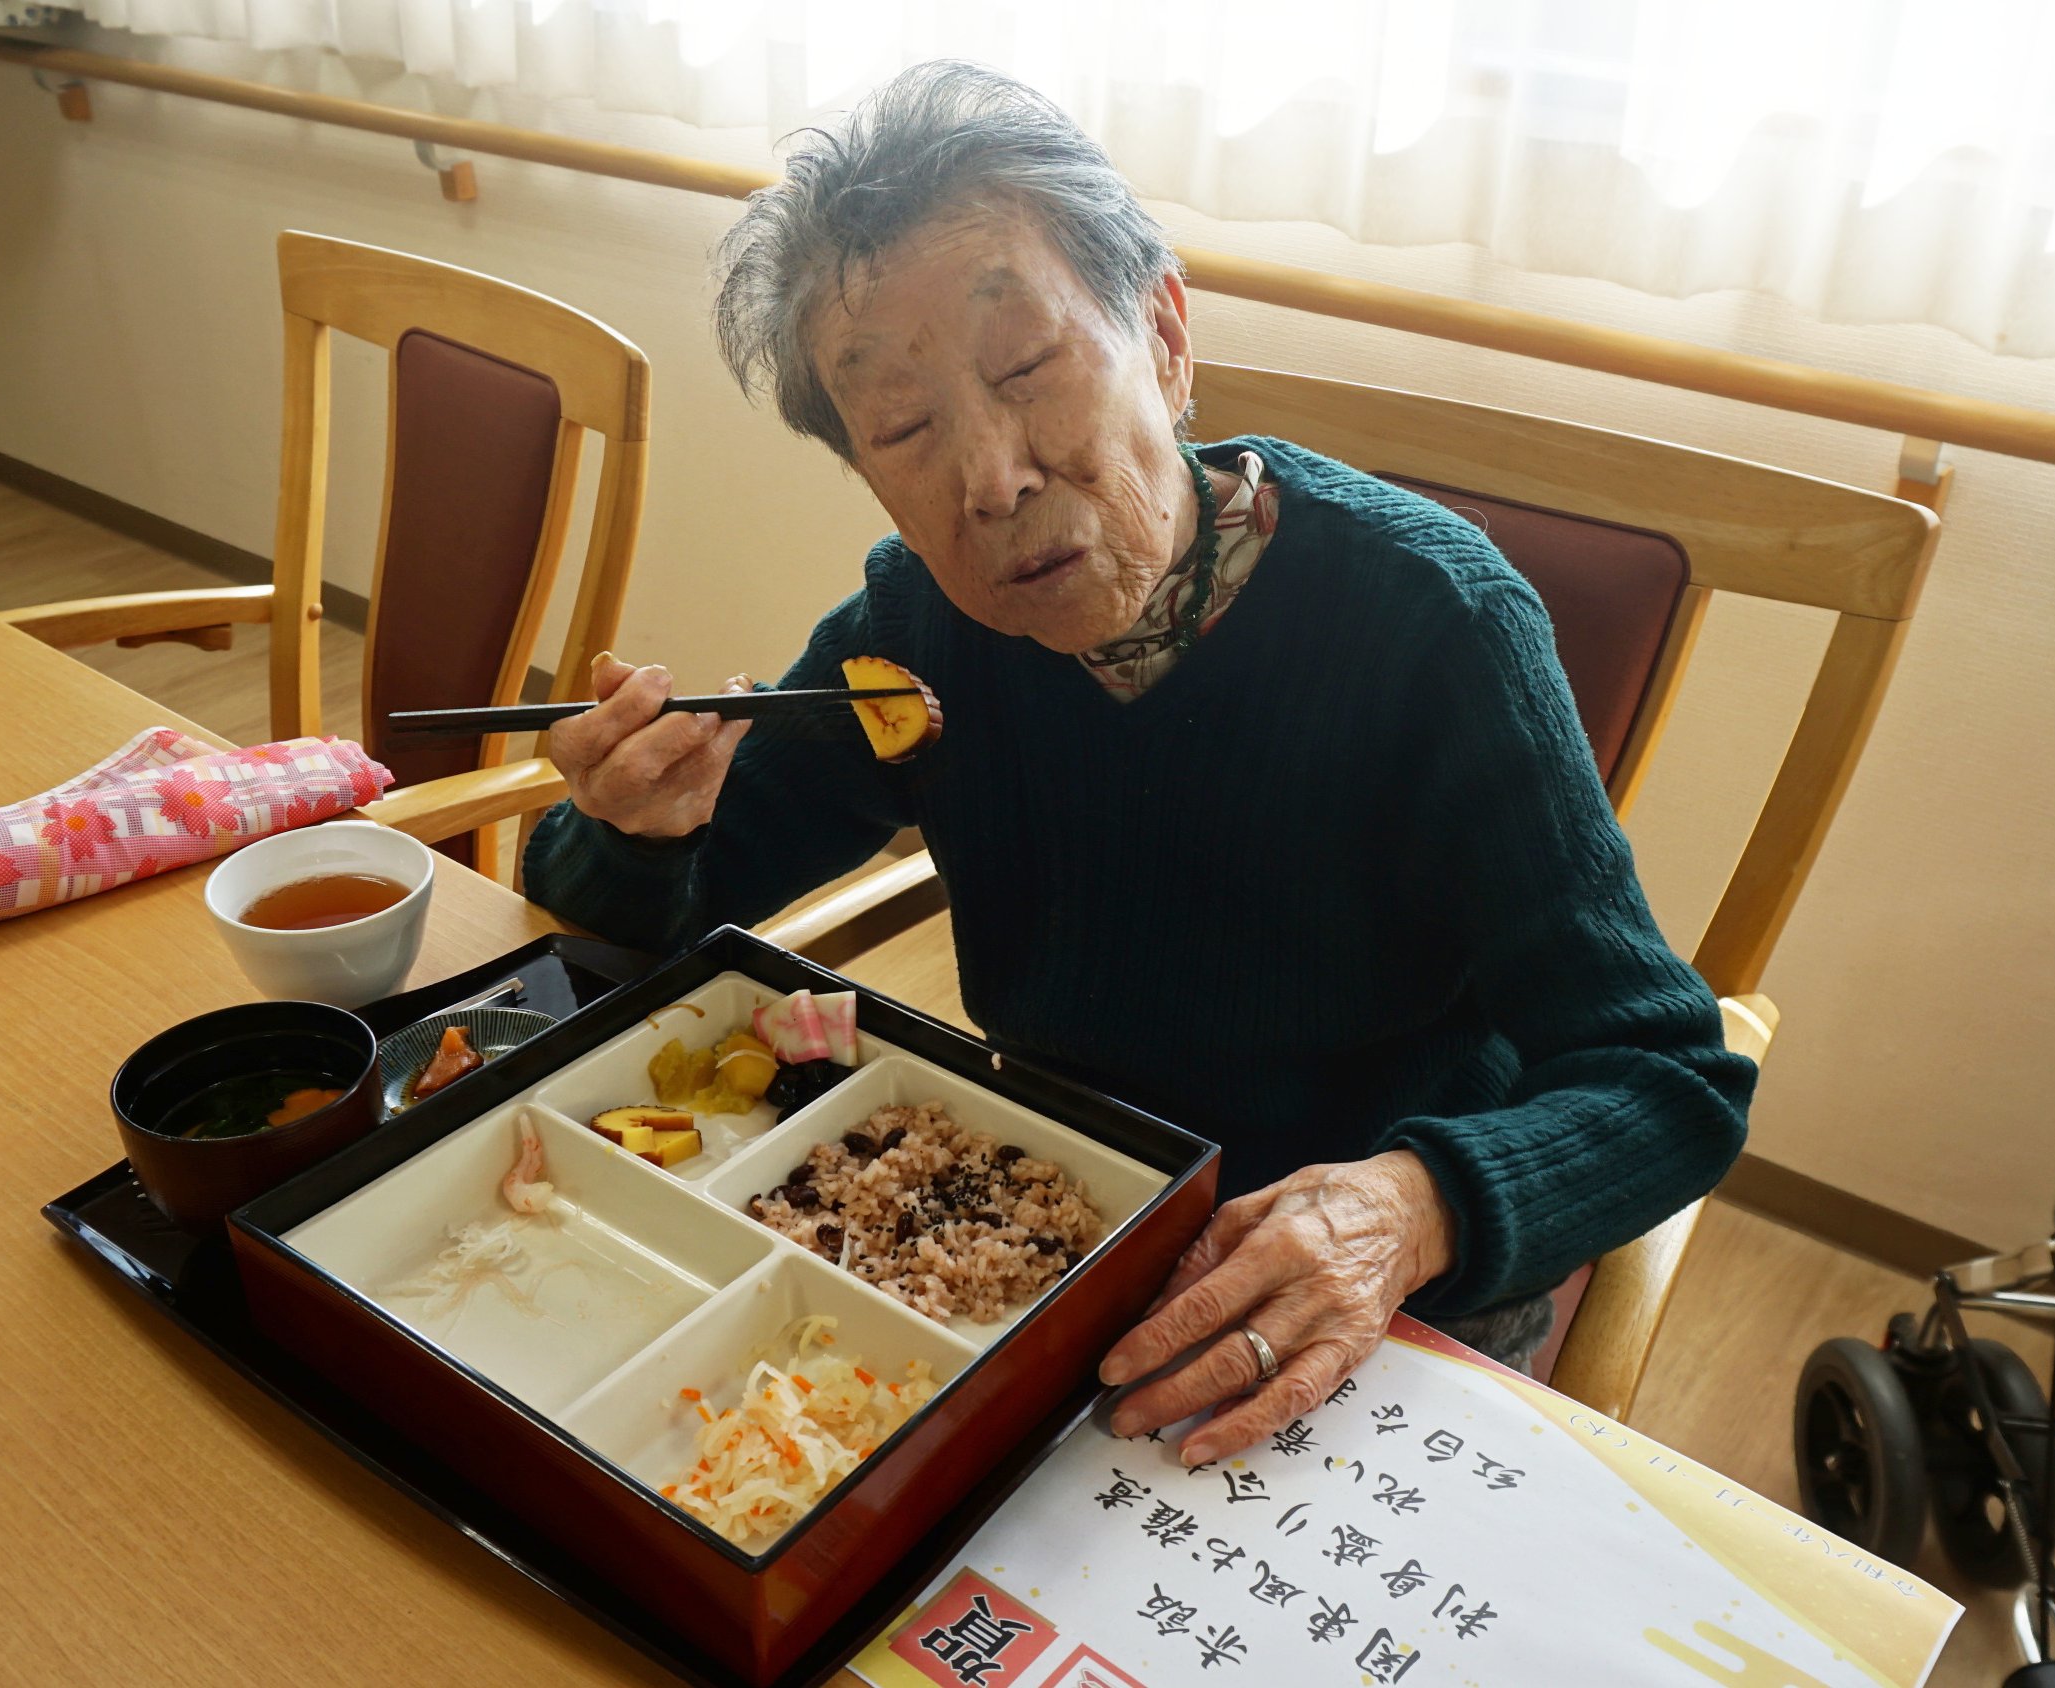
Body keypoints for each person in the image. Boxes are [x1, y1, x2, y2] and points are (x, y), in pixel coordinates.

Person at [523, 61, 1756, 1468]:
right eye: (909, 432)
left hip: (1364, 1260)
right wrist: (636, 828)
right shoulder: (915, 635)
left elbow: (1666, 1075)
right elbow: (626, 930)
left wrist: (1419, 1207)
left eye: (1028, 370)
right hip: (1062, 1218)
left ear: (1164, 334)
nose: (988, 479)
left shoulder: (1434, 626)